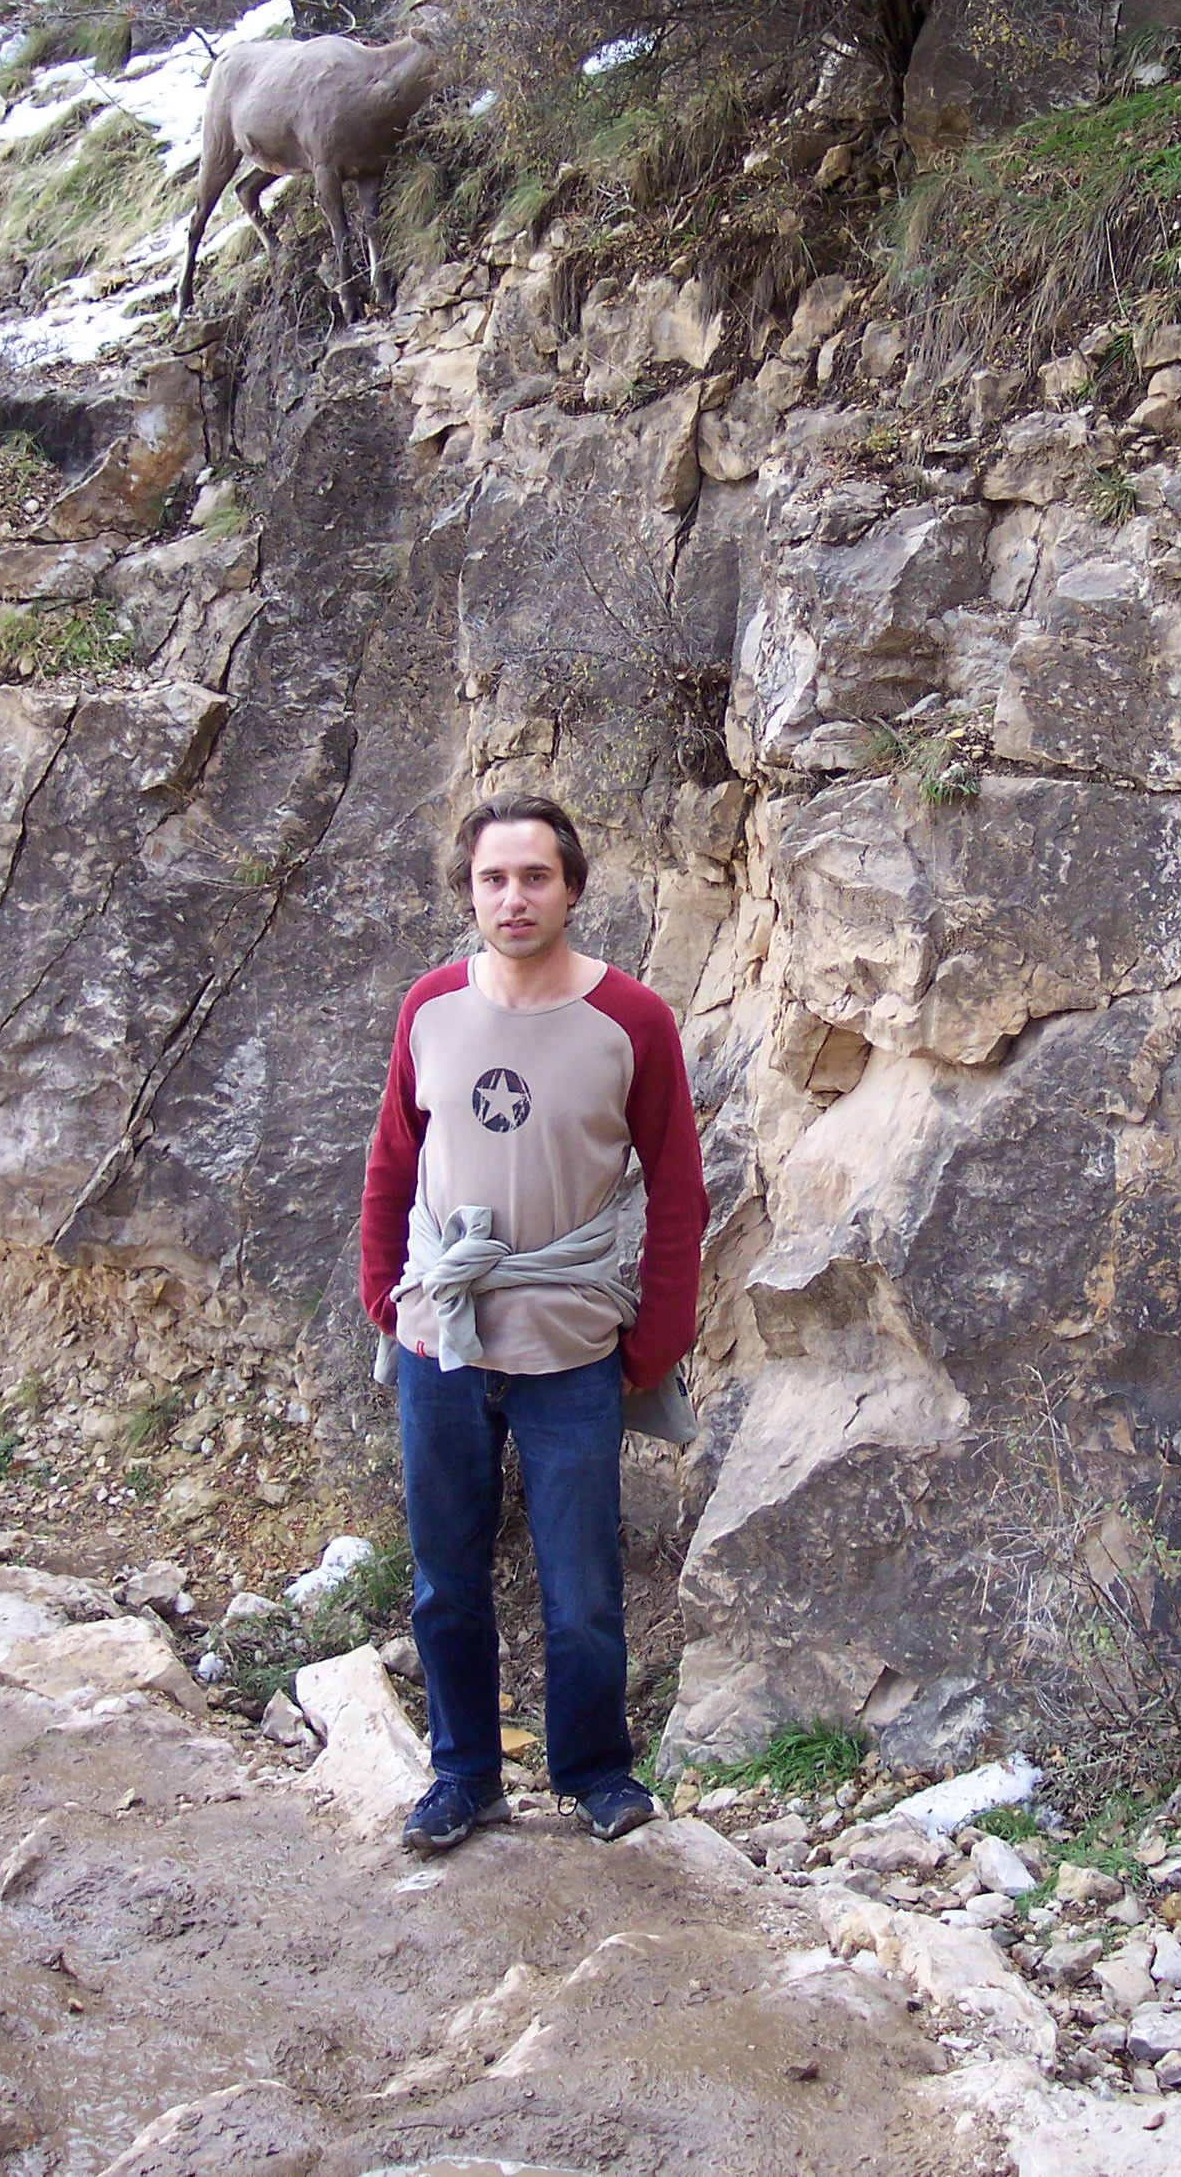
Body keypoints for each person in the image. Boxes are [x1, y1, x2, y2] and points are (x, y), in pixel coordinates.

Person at [360, 794, 707, 1853]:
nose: (514, 898)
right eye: (493, 879)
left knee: (583, 1589)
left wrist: (655, 1340)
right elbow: (392, 1162)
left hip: (571, 1343)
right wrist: (386, 1298)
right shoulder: (430, 1007)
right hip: (444, 1335)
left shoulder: (632, 1021)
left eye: (535, 877)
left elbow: (679, 1190)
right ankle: (463, 1776)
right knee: (444, 1580)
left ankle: (596, 1772)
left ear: (573, 887)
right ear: (468, 893)